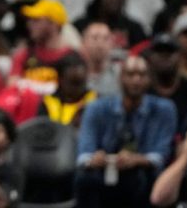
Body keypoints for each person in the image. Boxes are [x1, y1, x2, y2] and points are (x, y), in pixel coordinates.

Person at [75, 55, 177, 208]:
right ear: (121, 78)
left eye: (142, 75)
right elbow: (83, 155)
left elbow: (161, 155)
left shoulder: (164, 109)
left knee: (144, 176)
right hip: (103, 172)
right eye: (130, 74)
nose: (136, 80)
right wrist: (95, 159)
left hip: (143, 174)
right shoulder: (96, 108)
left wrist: (137, 159)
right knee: (84, 177)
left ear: (149, 79)